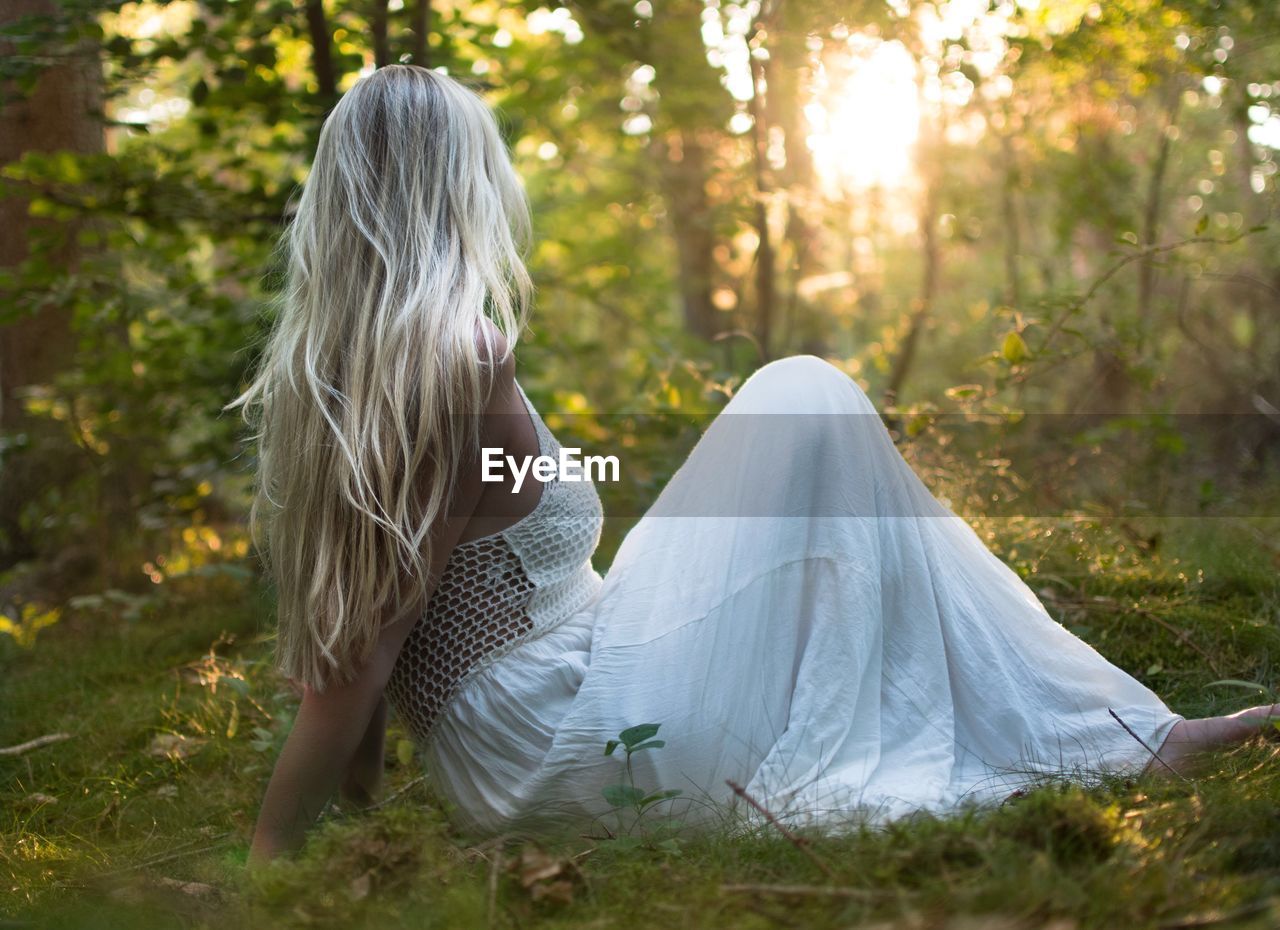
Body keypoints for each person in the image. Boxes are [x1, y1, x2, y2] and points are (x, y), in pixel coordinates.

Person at [229, 65, 1279, 867]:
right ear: (456, 188)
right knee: (802, 393)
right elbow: (349, 672)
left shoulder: (336, 383)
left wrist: (359, 822)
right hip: (565, 745)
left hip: (537, 733)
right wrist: (273, 877)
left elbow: (361, 651)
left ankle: (1116, 734)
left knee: (796, 435)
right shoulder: (460, 364)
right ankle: (1122, 739)